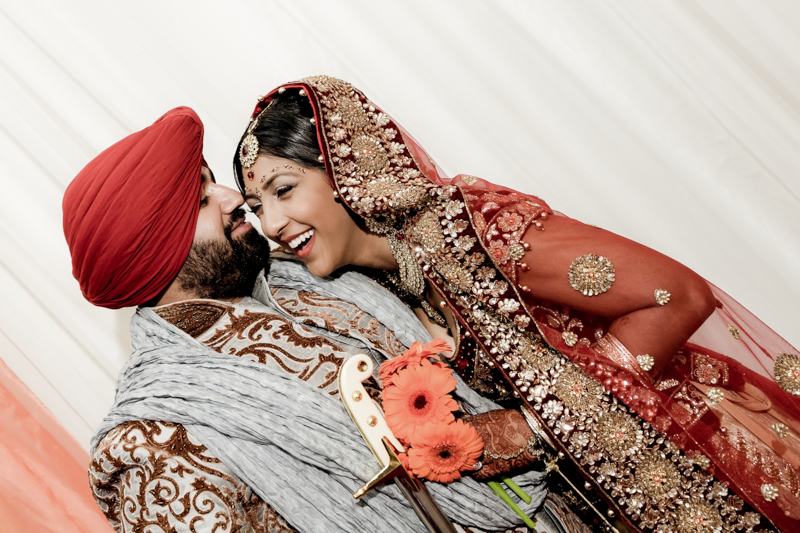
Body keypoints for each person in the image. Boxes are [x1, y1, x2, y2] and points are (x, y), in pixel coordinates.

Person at [234, 75, 800, 533]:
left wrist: (538, 426)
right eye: (257, 206)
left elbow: (675, 295)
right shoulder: (380, 289)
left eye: (284, 189)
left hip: (705, 454)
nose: (274, 224)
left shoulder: (470, 227)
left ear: (346, 170)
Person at [64, 107, 591, 533]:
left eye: (211, 183)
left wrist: (537, 424)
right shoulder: (147, 443)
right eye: (202, 200)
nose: (231, 199)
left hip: (568, 508)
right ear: (155, 255)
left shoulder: (303, 273)